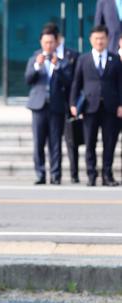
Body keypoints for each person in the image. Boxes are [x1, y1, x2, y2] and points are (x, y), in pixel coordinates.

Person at [70, 25, 122, 186]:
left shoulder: (115, 60)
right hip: (89, 107)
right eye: (96, 38)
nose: (99, 41)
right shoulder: (83, 59)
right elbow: (76, 83)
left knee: (110, 142)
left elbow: (120, 84)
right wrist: (73, 104)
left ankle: (107, 175)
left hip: (110, 107)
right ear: (91, 40)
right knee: (89, 142)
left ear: (107, 40)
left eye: (102, 38)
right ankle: (91, 175)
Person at [25, 26, 73, 185]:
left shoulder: (62, 61)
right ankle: (40, 174)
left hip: (56, 107)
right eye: (46, 42)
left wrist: (58, 66)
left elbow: (69, 81)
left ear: (56, 43)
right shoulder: (34, 58)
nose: (48, 45)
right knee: (38, 142)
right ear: (41, 42)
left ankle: (56, 175)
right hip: (39, 106)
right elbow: (28, 79)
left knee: (55, 143)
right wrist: (37, 66)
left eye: (51, 42)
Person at [46, 22, 82, 183]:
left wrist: (75, 103)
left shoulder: (73, 55)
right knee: (54, 141)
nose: (51, 43)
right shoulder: (43, 56)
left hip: (68, 104)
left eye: (54, 39)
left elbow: (75, 81)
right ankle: (56, 174)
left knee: (71, 140)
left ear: (59, 38)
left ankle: (74, 174)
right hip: (52, 105)